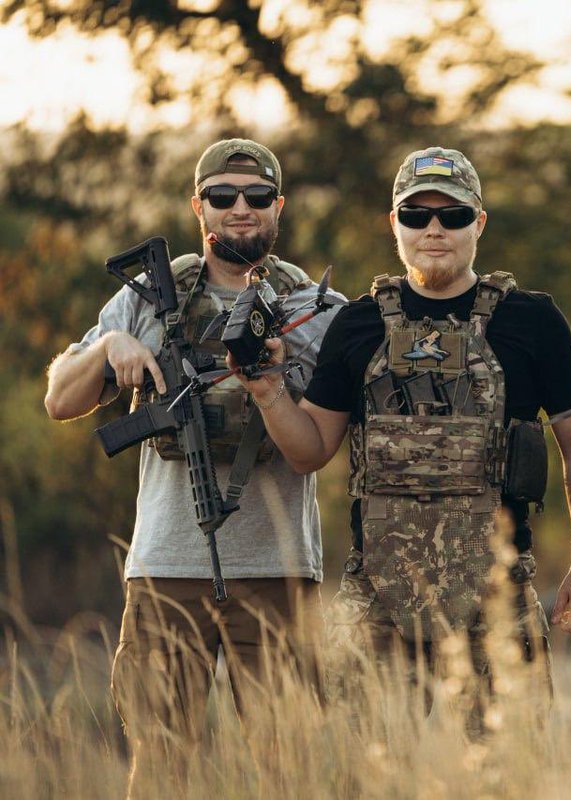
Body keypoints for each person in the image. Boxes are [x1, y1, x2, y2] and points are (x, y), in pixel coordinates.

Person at [239, 146, 571, 728]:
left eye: (453, 216)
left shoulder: (532, 320)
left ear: (479, 223)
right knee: (359, 774)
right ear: (395, 224)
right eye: (416, 215)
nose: (434, 229)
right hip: (375, 593)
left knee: (510, 776)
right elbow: (309, 451)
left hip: (500, 592)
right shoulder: (357, 324)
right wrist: (267, 391)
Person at [43, 138, 339, 792]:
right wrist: (112, 346)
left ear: (278, 206)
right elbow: (61, 398)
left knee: (292, 772)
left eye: (257, 197)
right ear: (198, 204)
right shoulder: (148, 297)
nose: (241, 209)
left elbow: (323, 443)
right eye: (223, 196)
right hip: (166, 568)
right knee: (162, 771)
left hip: (279, 572)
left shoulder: (317, 309)